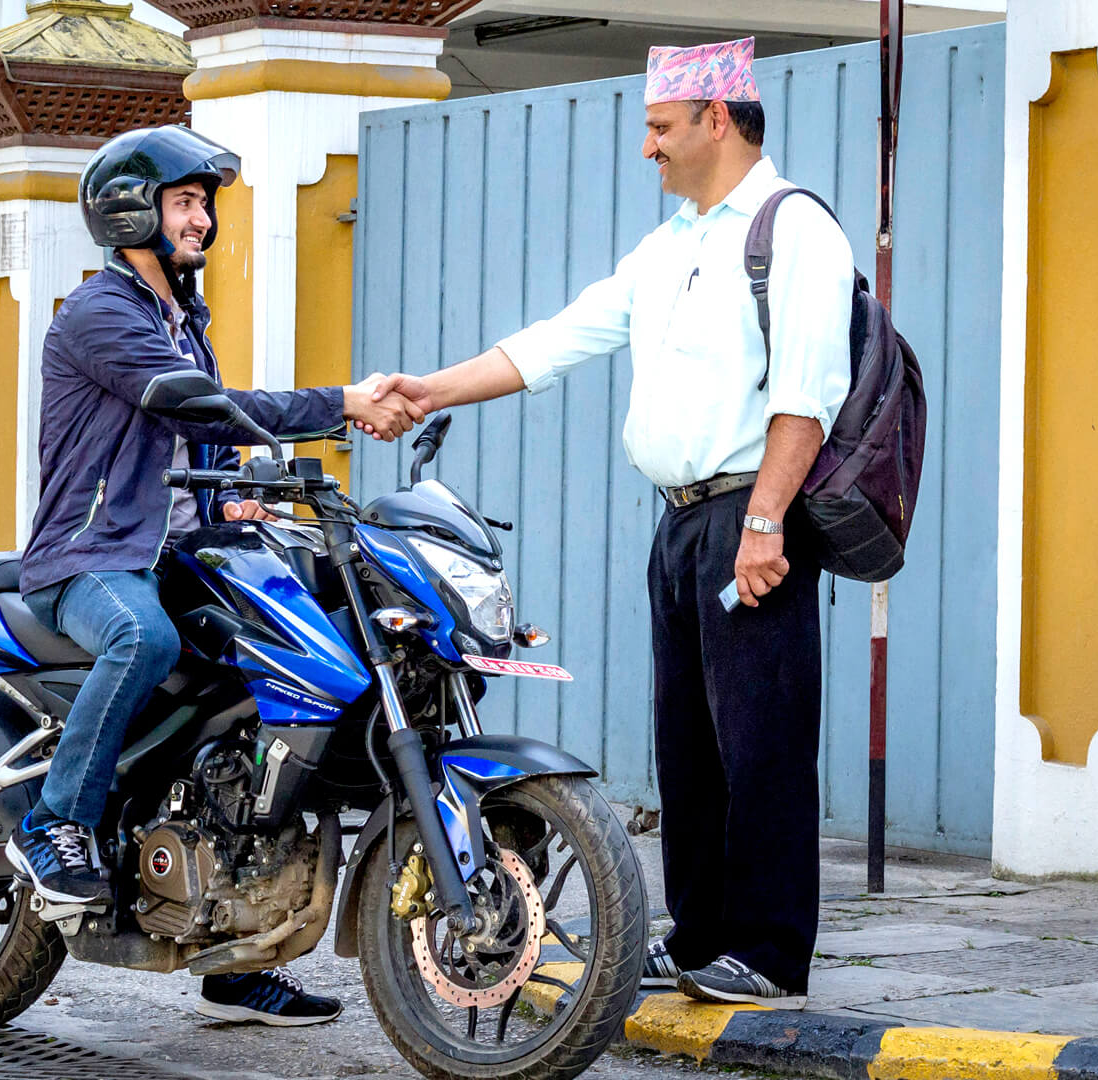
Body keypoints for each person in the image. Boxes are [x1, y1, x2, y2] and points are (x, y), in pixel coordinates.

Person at [362, 39, 853, 1010]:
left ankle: (767, 952)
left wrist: (764, 523)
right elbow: (556, 340)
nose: (647, 147)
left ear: (717, 119)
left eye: (660, 127)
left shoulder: (793, 228)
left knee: (760, 739)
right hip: (680, 523)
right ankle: (699, 934)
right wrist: (427, 390)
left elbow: (807, 393)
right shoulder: (670, 245)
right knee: (689, 743)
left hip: (750, 512)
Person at [3, 124, 422, 1026]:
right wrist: (342, 402)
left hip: (175, 557)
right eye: (184, 202)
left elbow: (206, 449)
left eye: (203, 205)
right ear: (131, 212)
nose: (200, 219)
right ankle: (54, 824)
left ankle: (236, 947)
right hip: (91, 557)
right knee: (141, 638)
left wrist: (236, 501)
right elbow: (195, 407)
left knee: (280, 689)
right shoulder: (98, 314)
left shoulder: (183, 323)